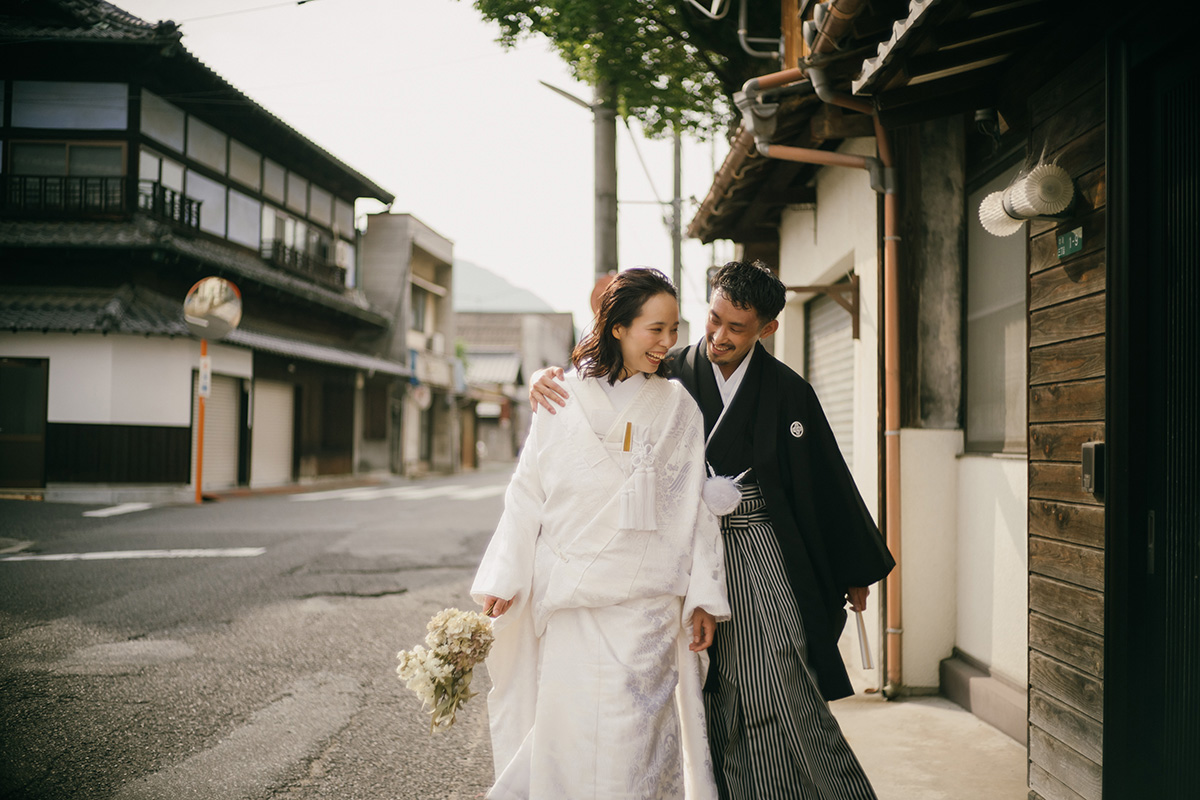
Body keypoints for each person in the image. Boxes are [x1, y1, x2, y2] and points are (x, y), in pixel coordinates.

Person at [530, 260, 895, 800]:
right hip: (668, 549)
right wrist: (547, 378)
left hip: (753, 546)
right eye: (713, 319)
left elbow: (824, 480)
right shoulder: (665, 370)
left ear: (767, 329)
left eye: (737, 328)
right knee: (689, 692)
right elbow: (599, 390)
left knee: (774, 673)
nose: (718, 336)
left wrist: (850, 569)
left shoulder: (789, 392)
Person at [473, 267, 731, 800]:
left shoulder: (678, 406)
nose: (667, 343)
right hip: (572, 603)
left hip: (646, 608)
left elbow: (696, 509)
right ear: (617, 327)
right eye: (654, 329)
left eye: (673, 329)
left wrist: (703, 597)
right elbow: (527, 494)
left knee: (635, 743)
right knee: (567, 736)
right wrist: (505, 575)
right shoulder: (560, 398)